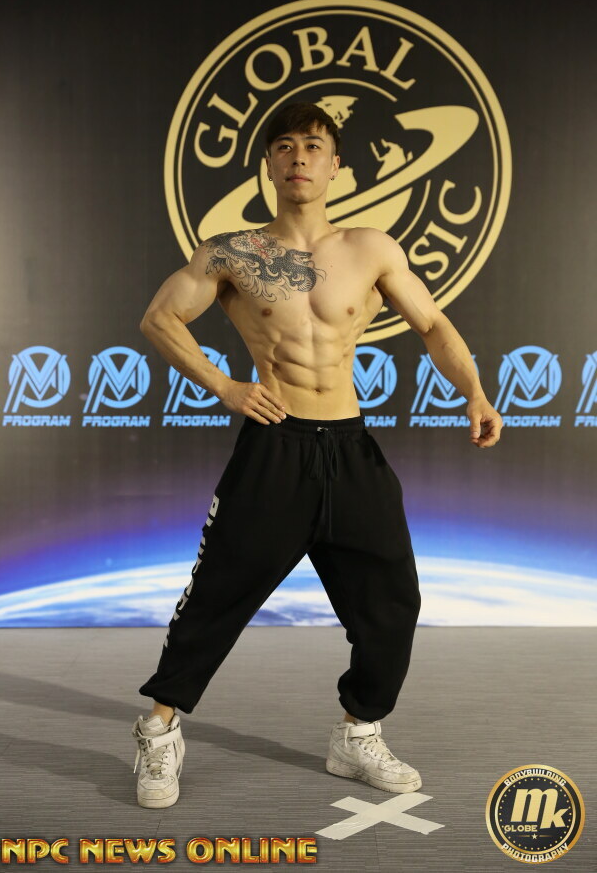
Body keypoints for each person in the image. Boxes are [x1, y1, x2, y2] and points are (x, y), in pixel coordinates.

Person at [130, 102, 502, 809]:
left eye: (312, 145)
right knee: (216, 597)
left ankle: (358, 733)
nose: (298, 156)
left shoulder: (371, 249)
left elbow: (432, 324)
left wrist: (476, 393)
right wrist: (225, 385)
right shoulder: (233, 252)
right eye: (284, 146)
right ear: (268, 167)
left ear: (336, 167)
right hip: (274, 446)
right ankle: (159, 729)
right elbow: (159, 317)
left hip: (350, 448)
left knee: (393, 601)